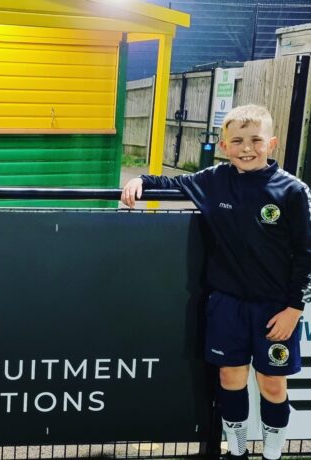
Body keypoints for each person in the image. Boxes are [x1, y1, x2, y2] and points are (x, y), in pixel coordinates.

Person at [121, 104, 309, 460]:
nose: (247, 148)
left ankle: (272, 454)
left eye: (256, 140)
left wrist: (294, 309)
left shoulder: (293, 191)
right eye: (237, 141)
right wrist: (139, 180)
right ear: (224, 146)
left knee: (272, 384)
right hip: (226, 305)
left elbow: (306, 253)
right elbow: (169, 183)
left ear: (272, 143)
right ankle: (236, 451)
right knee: (230, 379)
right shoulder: (213, 180)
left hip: (275, 309)